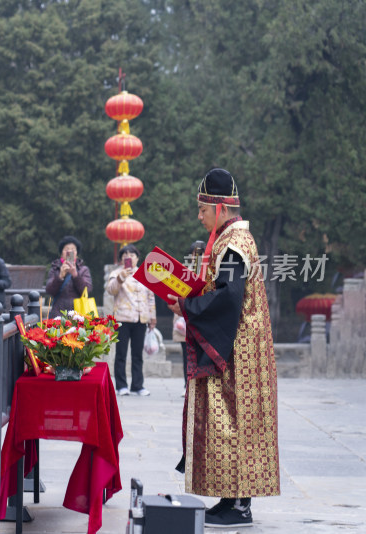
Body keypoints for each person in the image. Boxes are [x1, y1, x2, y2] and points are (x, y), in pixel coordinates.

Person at [166, 168, 279, 528]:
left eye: (201, 209)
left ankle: (240, 505)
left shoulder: (232, 244)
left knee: (234, 423)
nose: (199, 217)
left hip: (237, 350)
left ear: (219, 207)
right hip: (241, 345)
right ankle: (232, 498)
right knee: (233, 422)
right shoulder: (234, 238)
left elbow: (229, 300)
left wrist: (187, 306)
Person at [105, 244, 157, 397]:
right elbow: (111, 290)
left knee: (137, 354)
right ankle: (121, 385)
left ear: (137, 258)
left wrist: (152, 316)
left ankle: (137, 385)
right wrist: (122, 277)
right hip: (123, 318)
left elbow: (150, 296)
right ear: (121, 259)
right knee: (121, 353)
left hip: (141, 318)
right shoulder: (116, 273)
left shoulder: (145, 274)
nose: (129, 257)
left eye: (132, 254)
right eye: (125, 255)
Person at [173, 240, 205, 396]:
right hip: (184, 320)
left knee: (201, 354)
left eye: (200, 253)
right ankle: (188, 385)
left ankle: (200, 385)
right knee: (187, 355)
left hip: (202, 319)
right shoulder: (184, 271)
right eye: (194, 253)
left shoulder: (209, 272)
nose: (196, 256)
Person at [44, 235, 93, 315]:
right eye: (66, 249)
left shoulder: (83, 269)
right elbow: (49, 290)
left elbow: (86, 290)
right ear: (61, 253)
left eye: (73, 249)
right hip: (58, 312)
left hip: (78, 313)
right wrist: (60, 277)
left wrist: (75, 275)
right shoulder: (55, 268)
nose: (69, 252)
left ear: (77, 253)